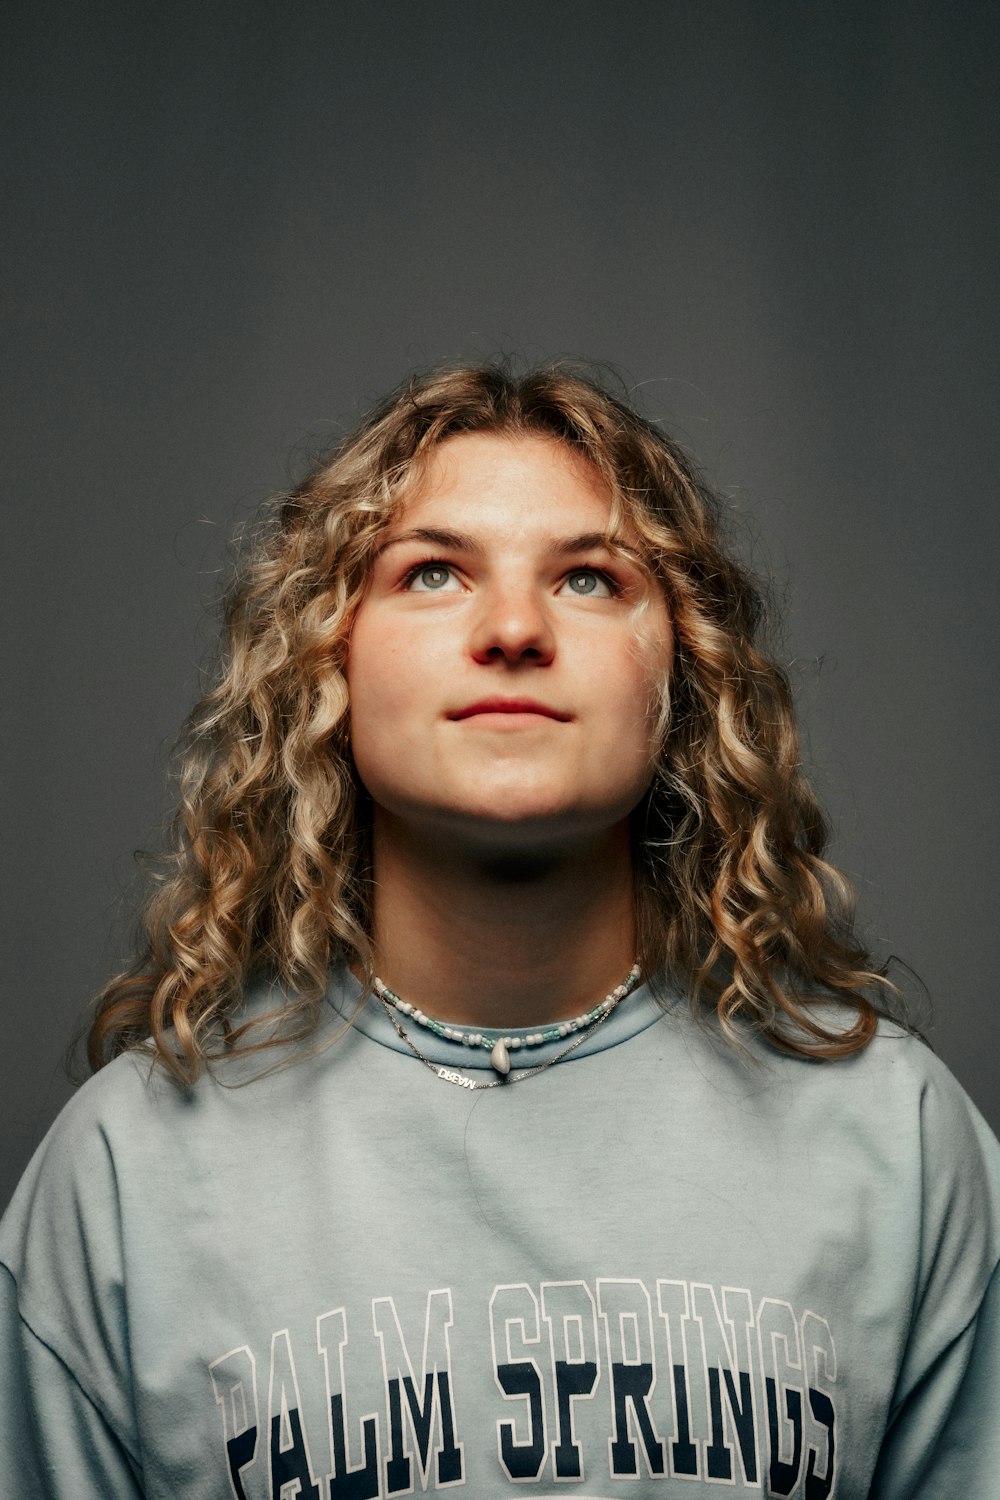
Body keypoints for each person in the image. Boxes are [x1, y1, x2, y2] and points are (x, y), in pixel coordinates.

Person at [1, 364, 997, 1498]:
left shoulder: (893, 1142)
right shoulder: (130, 1173)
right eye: (431, 572)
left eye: (587, 578)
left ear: (681, 668)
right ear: (328, 657)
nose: (514, 628)